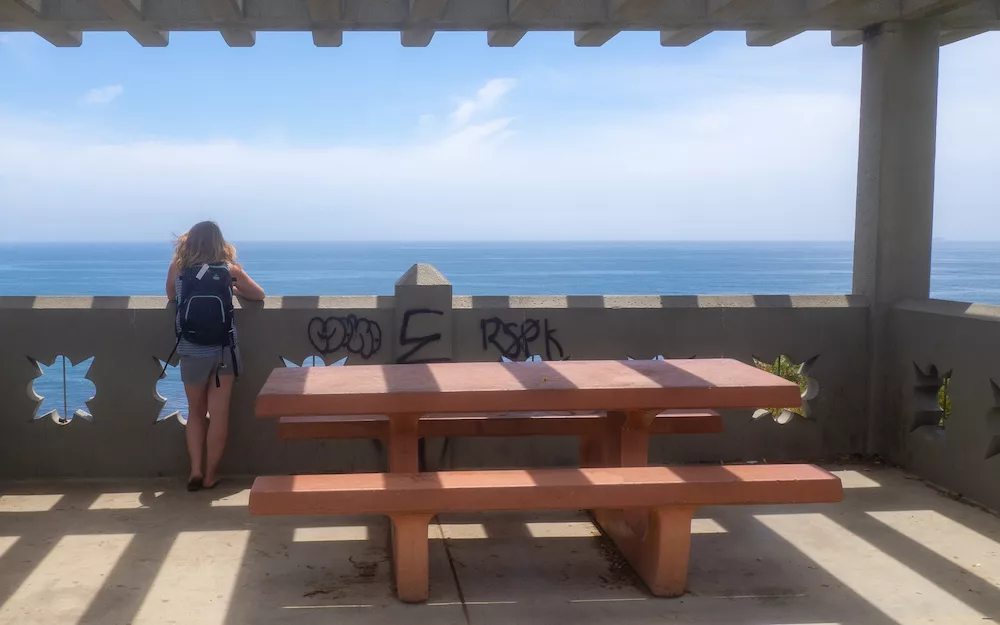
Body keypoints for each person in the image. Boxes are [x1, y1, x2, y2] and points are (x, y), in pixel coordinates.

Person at [166, 221, 264, 491]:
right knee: (219, 416)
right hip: (224, 350)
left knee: (196, 414)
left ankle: (195, 471)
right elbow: (258, 294)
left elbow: (170, 295)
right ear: (219, 242)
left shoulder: (180, 269)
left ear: (189, 242)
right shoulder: (229, 270)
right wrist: (231, 289)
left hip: (191, 349)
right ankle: (211, 475)